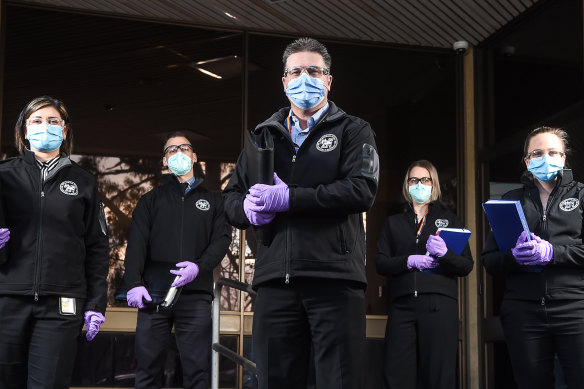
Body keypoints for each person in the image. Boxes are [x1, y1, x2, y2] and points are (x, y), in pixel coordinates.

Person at [223, 37, 379, 389]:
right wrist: (247, 209)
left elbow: (361, 190)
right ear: (283, 81)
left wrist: (289, 199)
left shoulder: (354, 130)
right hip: (275, 281)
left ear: (328, 80)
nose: (303, 78)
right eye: (295, 71)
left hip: (335, 281)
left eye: (313, 70)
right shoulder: (262, 137)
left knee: (338, 381)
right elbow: (230, 199)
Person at [0, 95, 109, 389]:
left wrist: (97, 303)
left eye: (52, 121)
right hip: (7, 300)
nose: (44, 127)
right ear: (24, 131)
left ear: (64, 130)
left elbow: (98, 247)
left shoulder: (84, 182)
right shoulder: (3, 176)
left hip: (62, 306)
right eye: (36, 121)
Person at [123, 131, 231, 389]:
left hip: (195, 296)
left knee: (197, 371)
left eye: (184, 148)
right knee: (148, 369)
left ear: (194, 156)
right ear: (164, 161)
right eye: (171, 150)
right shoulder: (150, 201)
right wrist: (134, 283)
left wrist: (199, 267)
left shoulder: (214, 201)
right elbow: (136, 245)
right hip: (153, 295)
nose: (178, 153)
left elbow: (221, 240)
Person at [482, 126, 584, 389]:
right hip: (523, 312)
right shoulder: (510, 201)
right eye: (537, 153)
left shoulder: (581, 196)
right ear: (527, 161)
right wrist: (515, 257)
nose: (545, 158)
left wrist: (552, 253)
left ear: (563, 158)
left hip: (575, 308)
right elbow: (490, 260)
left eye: (552, 152)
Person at [374, 160, 473, 389]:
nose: (420, 184)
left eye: (425, 180)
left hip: (439, 305)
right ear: (407, 186)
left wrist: (445, 253)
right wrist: (408, 261)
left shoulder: (449, 219)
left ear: (434, 184)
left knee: (438, 376)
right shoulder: (394, 223)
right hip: (402, 306)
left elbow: (466, 265)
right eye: (414, 180)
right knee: (396, 374)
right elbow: (380, 262)